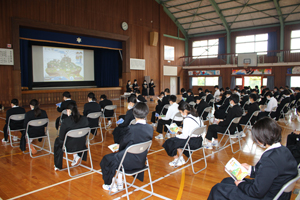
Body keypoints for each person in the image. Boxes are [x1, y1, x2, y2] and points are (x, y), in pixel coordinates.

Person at [208, 117, 298, 200]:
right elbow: (269, 174)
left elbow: (256, 192)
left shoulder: (269, 159)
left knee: (218, 189)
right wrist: (250, 168)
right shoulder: (283, 150)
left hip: (266, 196)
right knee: (227, 180)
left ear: (262, 138)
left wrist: (241, 184)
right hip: (275, 191)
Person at [100, 102, 153, 192]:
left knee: (106, 159)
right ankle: (120, 182)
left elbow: (123, 146)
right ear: (146, 113)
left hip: (127, 162)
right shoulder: (150, 128)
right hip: (140, 161)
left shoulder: (131, 129)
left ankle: (109, 184)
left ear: (134, 113)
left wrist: (119, 146)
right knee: (120, 156)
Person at [162, 101, 203, 167]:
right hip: (199, 141)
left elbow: (184, 136)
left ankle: (176, 160)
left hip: (191, 142)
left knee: (169, 142)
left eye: (181, 112)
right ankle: (181, 159)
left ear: (185, 111)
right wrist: (181, 129)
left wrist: (177, 135)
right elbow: (193, 130)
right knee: (177, 141)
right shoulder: (197, 117)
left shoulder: (187, 119)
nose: (181, 114)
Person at [54, 102, 89, 170]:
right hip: (82, 145)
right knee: (75, 138)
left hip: (69, 147)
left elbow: (61, 137)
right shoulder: (84, 119)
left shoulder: (66, 121)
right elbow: (86, 133)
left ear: (68, 110)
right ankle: (77, 155)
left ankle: (57, 165)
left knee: (58, 141)